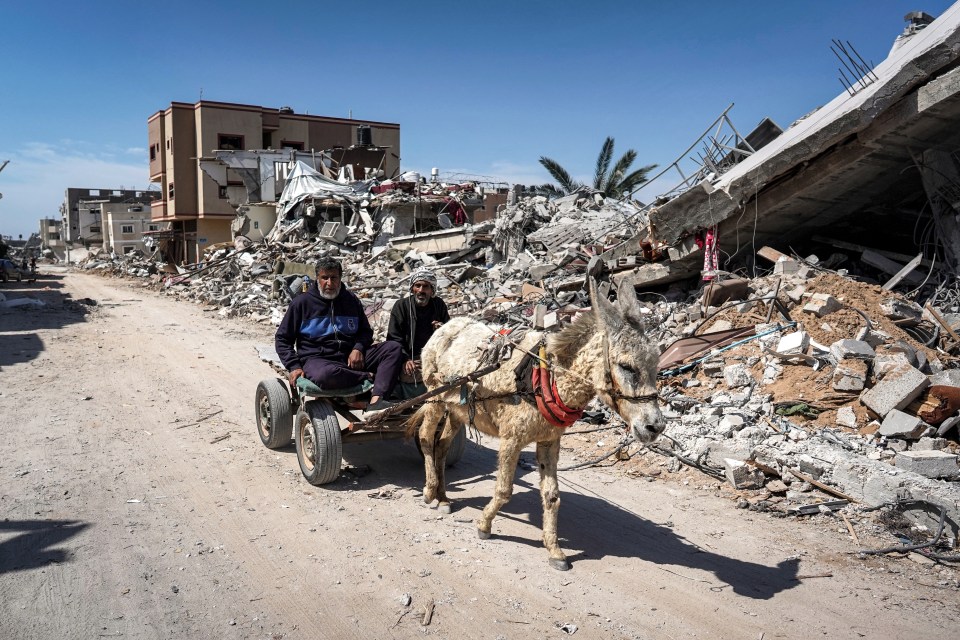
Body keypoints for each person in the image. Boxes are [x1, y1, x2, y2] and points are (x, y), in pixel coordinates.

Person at [275, 257, 402, 410]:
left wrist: (358, 348)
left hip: (350, 358)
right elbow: (282, 339)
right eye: (324, 278)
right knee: (325, 375)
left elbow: (366, 331)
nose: (329, 282)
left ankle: (376, 402)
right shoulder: (301, 303)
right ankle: (369, 377)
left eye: (334, 277)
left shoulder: (351, 300)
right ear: (317, 279)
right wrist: (294, 366)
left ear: (340, 278)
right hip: (318, 360)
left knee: (393, 348)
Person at [386, 268, 450, 386]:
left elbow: (450, 334)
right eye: (418, 286)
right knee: (410, 375)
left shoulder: (438, 305)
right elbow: (393, 338)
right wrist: (405, 359)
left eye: (425, 286)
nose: (421, 290)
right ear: (412, 288)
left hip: (434, 357)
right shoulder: (401, 306)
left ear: (432, 290)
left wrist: (441, 329)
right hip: (411, 358)